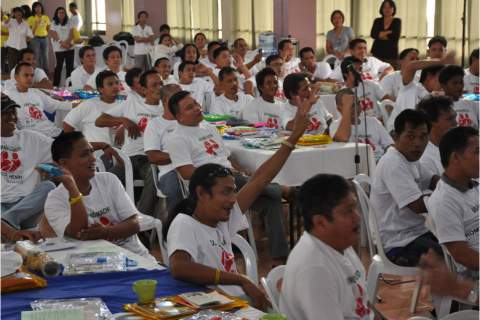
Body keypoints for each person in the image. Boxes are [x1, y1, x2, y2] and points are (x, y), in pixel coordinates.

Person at [163, 96, 311, 307]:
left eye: (234, 191)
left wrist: (294, 137)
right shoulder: (185, 223)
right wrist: (239, 279)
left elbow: (260, 179)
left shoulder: (224, 216)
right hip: (217, 306)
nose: (233, 199)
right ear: (202, 193)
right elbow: (179, 268)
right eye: (226, 192)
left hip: (239, 301)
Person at [166, 90, 299, 264]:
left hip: (231, 178)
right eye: (190, 107)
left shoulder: (209, 127)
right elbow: (186, 172)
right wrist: (216, 173)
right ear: (179, 117)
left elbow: (226, 157)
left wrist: (241, 170)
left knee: (270, 201)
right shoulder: (177, 138)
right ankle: (283, 189)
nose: (198, 108)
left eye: (196, 104)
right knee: (264, 189)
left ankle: (279, 258)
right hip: (213, 186)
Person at [44, 131, 156, 261]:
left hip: (136, 258)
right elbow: (78, 232)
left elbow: (134, 224)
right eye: (85, 154)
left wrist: (106, 232)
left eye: (91, 151)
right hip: (94, 264)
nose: (93, 158)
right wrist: (72, 189)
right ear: (63, 163)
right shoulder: (55, 200)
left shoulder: (108, 180)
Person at [280, 174, 370, 320]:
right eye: (348, 211)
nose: (357, 217)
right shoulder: (315, 269)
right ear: (320, 222)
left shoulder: (340, 244)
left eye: (355, 208)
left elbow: (364, 306)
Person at [370, 109, 442, 267]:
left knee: (461, 242)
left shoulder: (409, 158)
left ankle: (447, 291)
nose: (417, 143)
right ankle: (455, 290)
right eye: (410, 136)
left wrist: (456, 184)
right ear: (396, 136)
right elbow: (417, 205)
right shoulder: (393, 162)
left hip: (416, 233)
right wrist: (449, 197)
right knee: (457, 256)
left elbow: (433, 180)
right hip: (398, 244)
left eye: (423, 137)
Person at [95, 70, 162, 214]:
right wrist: (123, 120)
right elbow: (99, 121)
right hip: (127, 158)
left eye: (161, 84)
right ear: (144, 89)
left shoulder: (166, 108)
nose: (159, 88)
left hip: (149, 159)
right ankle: (104, 217)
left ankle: (141, 219)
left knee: (154, 175)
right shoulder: (131, 105)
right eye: (154, 85)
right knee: (106, 182)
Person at [428, 126, 479, 278]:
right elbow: (461, 255)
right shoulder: (444, 200)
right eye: (477, 152)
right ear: (455, 158)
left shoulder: (474, 184)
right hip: (473, 276)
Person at [1, 95, 55, 230]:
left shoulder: (32, 138)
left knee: (49, 187)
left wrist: (51, 168)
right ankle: (10, 224)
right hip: (1, 203)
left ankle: (8, 222)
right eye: (5, 114)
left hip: (28, 204)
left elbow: (65, 150)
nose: (12, 117)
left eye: (13, 112)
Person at [63, 70, 123, 168]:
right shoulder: (89, 104)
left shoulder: (124, 104)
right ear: (101, 89)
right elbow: (67, 124)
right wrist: (78, 146)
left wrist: (123, 127)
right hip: (97, 154)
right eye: (110, 84)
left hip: (121, 152)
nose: (115, 86)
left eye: (117, 83)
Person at [386, 51, 455, 131]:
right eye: (441, 78)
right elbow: (411, 66)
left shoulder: (435, 96)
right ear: (429, 76)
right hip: (397, 133)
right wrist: (442, 61)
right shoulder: (411, 87)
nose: (443, 82)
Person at [4, 62, 72, 137]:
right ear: (16, 77)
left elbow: (58, 104)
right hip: (33, 137)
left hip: (52, 131)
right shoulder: (8, 95)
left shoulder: (36, 92)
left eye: (32, 75)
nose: (30, 78)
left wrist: (78, 104)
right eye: (26, 75)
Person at [144, 84, 182, 213]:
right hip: (171, 172)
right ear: (165, 100)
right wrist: (182, 155)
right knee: (176, 186)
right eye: (177, 97)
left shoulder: (191, 120)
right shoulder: (155, 125)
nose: (181, 100)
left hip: (197, 167)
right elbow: (153, 156)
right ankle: (174, 229)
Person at [331, 88, 393, 161]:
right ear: (339, 109)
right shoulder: (335, 125)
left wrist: (386, 160)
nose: (356, 108)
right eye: (351, 105)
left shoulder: (373, 121)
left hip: (380, 162)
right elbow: (342, 139)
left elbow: (390, 145)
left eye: (357, 103)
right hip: (358, 165)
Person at [417, 96, 457, 176]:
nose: (456, 123)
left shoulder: (458, 146)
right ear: (432, 122)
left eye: (455, 117)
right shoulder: (425, 159)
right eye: (450, 119)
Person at [439, 65, 479, 129]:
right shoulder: (438, 107)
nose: (459, 86)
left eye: (461, 82)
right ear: (443, 85)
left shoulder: (473, 104)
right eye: (454, 83)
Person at [370, 0, 401, 68]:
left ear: (393, 9)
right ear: (382, 9)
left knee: (390, 73)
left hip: (391, 53)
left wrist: (380, 34)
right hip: (377, 52)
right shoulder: (377, 20)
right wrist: (389, 32)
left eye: (390, 7)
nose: (387, 9)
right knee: (376, 73)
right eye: (385, 7)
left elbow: (395, 36)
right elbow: (373, 34)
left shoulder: (397, 21)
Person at [50, 6, 75, 87]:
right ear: (56, 14)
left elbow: (71, 34)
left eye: (63, 12)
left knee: (70, 68)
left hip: (69, 47)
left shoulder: (69, 21)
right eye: (60, 12)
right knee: (58, 67)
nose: (61, 14)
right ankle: (55, 85)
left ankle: (70, 86)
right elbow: (54, 35)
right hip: (58, 48)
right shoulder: (53, 22)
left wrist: (66, 43)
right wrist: (62, 43)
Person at [3, 7, 32, 73]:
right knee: (12, 66)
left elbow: (30, 35)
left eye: (19, 12)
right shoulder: (11, 21)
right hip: (12, 47)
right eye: (16, 12)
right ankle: (13, 81)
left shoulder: (25, 24)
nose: (18, 13)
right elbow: (5, 24)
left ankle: (20, 81)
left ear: (22, 13)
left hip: (22, 48)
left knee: (21, 66)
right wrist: (11, 15)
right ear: (14, 14)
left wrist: (27, 40)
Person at [27, 2, 50, 73]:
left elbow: (48, 27)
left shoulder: (45, 17)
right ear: (33, 9)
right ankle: (38, 73)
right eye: (36, 7)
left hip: (45, 38)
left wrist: (45, 34)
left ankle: (46, 72)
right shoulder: (31, 18)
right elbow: (29, 31)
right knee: (36, 56)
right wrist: (36, 25)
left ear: (41, 8)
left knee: (45, 56)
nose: (38, 8)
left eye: (39, 7)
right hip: (35, 39)